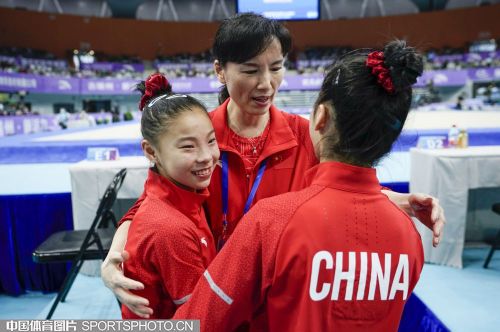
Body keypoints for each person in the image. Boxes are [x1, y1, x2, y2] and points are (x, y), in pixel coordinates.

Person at [102, 13, 445, 318]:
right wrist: (116, 251)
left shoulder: (308, 136)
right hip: (207, 299)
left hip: (272, 304)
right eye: (251, 70)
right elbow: (157, 199)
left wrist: (388, 197)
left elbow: (338, 186)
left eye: (277, 67)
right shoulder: (197, 137)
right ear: (219, 70)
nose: (266, 84)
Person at [174, 40, 425, 331]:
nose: (266, 84)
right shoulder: (408, 234)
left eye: (276, 67)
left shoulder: (271, 221)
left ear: (320, 118)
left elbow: (198, 323)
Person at [121, 73, 219, 319]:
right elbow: (200, 317)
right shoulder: (170, 228)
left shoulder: (179, 191)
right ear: (151, 151)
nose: (206, 156)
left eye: (211, 141)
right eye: (188, 146)